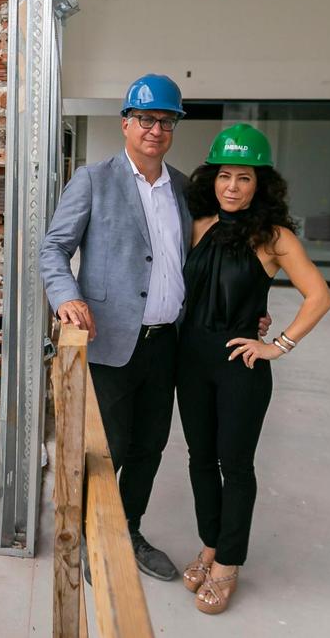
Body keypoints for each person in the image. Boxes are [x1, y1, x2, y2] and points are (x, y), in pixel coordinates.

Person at [40, 73, 192, 580]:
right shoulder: (92, 180)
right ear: (126, 123)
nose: (155, 129)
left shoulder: (185, 189)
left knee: (150, 445)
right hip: (110, 341)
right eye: (146, 118)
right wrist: (67, 298)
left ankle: (130, 529)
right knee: (107, 447)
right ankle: (84, 534)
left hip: (167, 343)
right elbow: (53, 249)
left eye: (165, 121)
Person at [176, 124, 330, 615]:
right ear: (212, 178)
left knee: (235, 466)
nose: (232, 187)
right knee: (199, 460)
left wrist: (276, 344)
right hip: (190, 361)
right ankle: (210, 544)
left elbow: (320, 296)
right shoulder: (196, 223)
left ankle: (228, 564)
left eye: (244, 178)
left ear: (259, 183)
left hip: (239, 366)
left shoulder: (274, 237)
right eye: (225, 175)